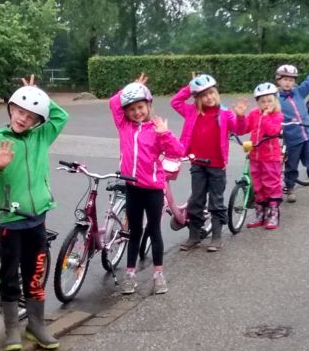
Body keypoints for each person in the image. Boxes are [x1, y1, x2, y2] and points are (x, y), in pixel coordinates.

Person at [0, 77, 67, 351]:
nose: (23, 118)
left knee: (35, 273)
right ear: (10, 109)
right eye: (19, 111)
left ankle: (36, 325)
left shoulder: (41, 136)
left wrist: (40, 95)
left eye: (30, 115)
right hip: (10, 220)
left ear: (38, 121)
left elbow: (61, 117)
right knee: (10, 274)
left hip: (37, 217)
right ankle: (12, 327)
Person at [108, 75, 183, 294]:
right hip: (132, 187)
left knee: (154, 231)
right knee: (134, 231)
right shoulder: (124, 125)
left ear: (148, 105)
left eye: (140, 107)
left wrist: (165, 134)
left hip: (153, 190)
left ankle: (158, 274)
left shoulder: (156, 128)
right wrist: (131, 87)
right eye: (131, 109)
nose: (136, 112)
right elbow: (114, 102)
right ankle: (130, 273)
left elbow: (177, 152)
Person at [171, 74, 248, 252]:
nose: (209, 97)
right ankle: (194, 235)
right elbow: (175, 102)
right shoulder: (192, 111)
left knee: (216, 201)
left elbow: (239, 129)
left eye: (212, 93)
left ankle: (216, 236)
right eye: (204, 95)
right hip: (197, 162)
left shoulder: (225, 113)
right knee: (196, 200)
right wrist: (190, 87)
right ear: (197, 97)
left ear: (216, 93)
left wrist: (241, 116)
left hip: (217, 164)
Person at [277, 52, 309, 203]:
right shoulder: (275, 98)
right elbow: (271, 116)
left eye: (291, 80)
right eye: (285, 80)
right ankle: (291, 189)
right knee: (291, 165)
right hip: (291, 137)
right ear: (279, 80)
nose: (288, 83)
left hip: (307, 133)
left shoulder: (298, 91)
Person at [241, 82, 284, 229]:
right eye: (262, 101)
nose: (266, 104)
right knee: (258, 185)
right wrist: (240, 117)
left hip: (270, 157)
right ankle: (260, 212)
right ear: (257, 102)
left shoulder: (276, 115)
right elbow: (244, 128)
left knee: (271, 184)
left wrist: (265, 116)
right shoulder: (253, 114)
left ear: (275, 101)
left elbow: (273, 131)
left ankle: (273, 213)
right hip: (255, 155)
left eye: (269, 101)